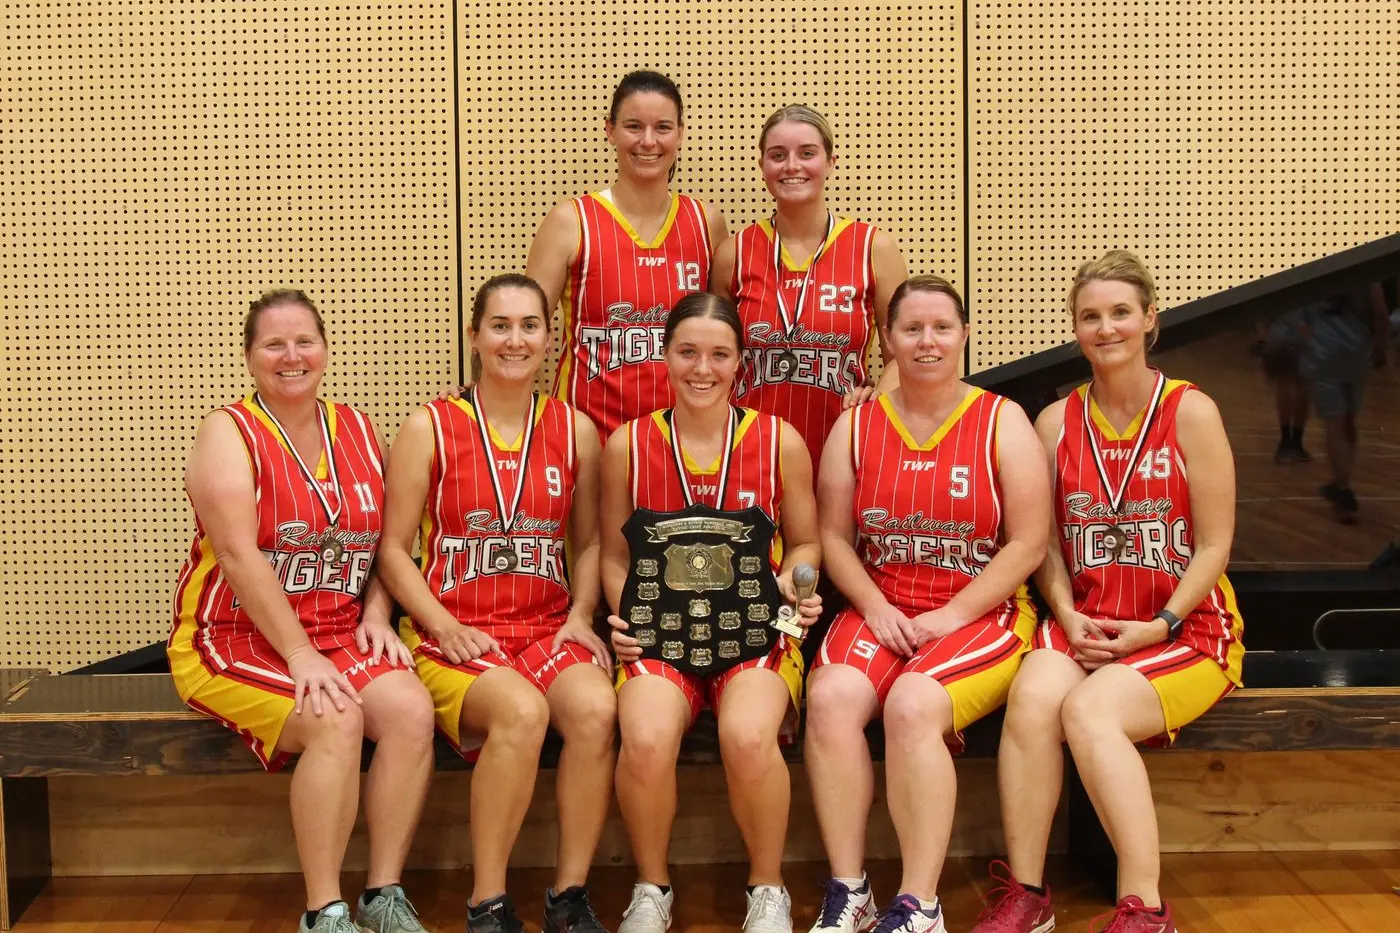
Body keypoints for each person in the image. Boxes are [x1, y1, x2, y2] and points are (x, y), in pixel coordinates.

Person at [973, 251, 1244, 933]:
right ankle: (1027, 894)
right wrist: (1064, 612)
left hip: (1184, 626)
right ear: (1075, 328)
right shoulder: (1055, 422)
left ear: (1150, 319)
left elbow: (1214, 543)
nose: (1106, 327)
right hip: (1086, 617)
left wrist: (1160, 621)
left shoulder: (1192, 411)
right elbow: (1048, 545)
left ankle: (1146, 908)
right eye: (1090, 315)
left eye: (1121, 312)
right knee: (1034, 697)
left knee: (1090, 712)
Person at [169, 289, 435, 933]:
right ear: (250, 357)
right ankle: (324, 910)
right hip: (233, 636)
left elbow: (387, 543)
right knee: (334, 718)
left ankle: (382, 894)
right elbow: (236, 553)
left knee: (410, 710)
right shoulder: (227, 432)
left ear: (324, 348)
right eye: (274, 344)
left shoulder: (361, 429)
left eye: (304, 341)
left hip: (340, 631)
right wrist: (298, 653)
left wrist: (378, 614)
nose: (292, 356)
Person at [803, 276, 1050, 933]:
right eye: (911, 329)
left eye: (941, 326)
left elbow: (1028, 542)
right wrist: (873, 602)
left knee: (913, 704)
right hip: (883, 602)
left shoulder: (1002, 420)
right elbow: (832, 536)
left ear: (964, 334)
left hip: (976, 611)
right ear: (888, 340)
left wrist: (951, 615)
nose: (927, 340)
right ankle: (850, 889)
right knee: (828, 698)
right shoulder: (855, 427)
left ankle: (919, 903)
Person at [377, 274, 613, 933]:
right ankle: (488, 901)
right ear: (475, 336)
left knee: (596, 708)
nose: (516, 339)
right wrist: (440, 621)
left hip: (544, 627)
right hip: (459, 632)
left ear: (548, 336)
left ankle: (568, 897)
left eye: (530, 325)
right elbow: (393, 549)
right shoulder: (431, 425)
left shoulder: (576, 430)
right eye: (501, 325)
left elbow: (590, 541)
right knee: (519, 710)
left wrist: (579, 614)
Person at [601, 293, 823, 933]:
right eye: (688, 352)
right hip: (659, 637)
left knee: (748, 736)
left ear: (739, 363)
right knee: (643, 738)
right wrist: (622, 615)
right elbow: (614, 553)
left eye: (719, 354)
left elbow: (806, 540)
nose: (703, 368)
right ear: (664, 357)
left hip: (755, 630)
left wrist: (796, 583)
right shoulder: (627, 445)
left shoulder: (779, 440)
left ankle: (768, 887)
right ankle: (651, 888)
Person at [526, 70, 727, 439]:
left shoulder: (706, 223)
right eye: (634, 126)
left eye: (663, 127)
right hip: (588, 443)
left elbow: (723, 341)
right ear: (611, 130)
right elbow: (522, 329)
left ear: (680, 133)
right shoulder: (570, 221)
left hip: (680, 443)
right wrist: (483, 397)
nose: (648, 141)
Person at [711, 104, 908, 473]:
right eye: (777, 155)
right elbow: (715, 356)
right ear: (762, 166)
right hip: (748, 450)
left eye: (807, 153)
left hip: (842, 447)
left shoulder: (873, 249)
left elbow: (901, 352)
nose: (791, 166)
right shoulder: (733, 253)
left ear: (831, 162)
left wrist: (880, 395)